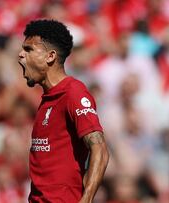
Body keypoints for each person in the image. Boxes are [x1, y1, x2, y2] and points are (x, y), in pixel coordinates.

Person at [18, 19, 109, 203]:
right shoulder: (47, 101)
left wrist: (87, 199)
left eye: (29, 50)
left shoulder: (73, 92)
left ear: (50, 56)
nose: (20, 55)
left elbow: (100, 149)